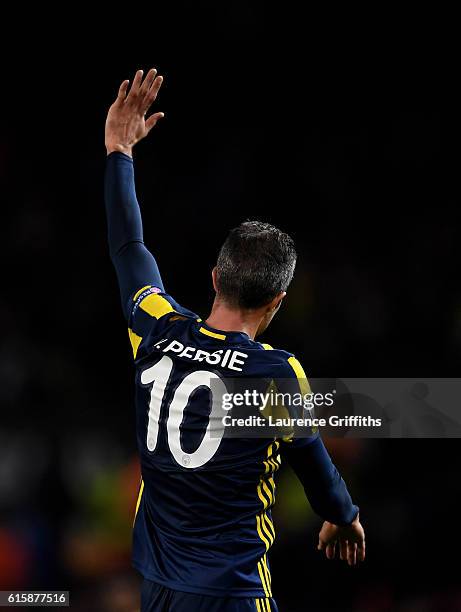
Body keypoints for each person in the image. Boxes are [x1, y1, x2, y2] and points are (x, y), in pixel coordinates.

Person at [104, 68, 365, 612]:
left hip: (157, 590)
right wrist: (344, 518)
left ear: (215, 278)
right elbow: (317, 470)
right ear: (277, 303)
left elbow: (129, 248)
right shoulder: (274, 374)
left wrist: (119, 150)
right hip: (232, 592)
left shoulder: (155, 326)